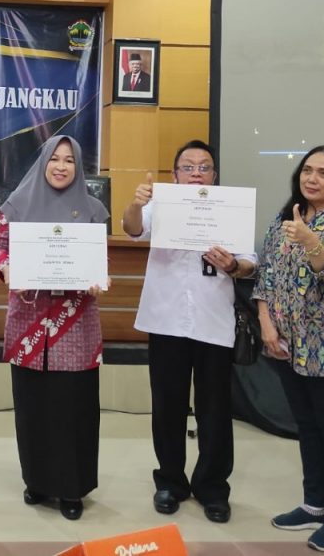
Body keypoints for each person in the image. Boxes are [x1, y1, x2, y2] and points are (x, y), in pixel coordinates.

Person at [123, 139, 256, 524]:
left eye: (204, 167)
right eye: (188, 167)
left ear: (214, 175)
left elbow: (250, 262)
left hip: (213, 321)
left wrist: (233, 265)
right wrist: (136, 203)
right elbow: (133, 228)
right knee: (167, 406)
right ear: (175, 174)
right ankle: (170, 482)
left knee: (215, 409)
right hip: (166, 320)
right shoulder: (159, 204)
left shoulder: (229, 209)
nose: (196, 173)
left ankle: (213, 488)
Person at [252, 145, 324, 552]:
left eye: (323, 173)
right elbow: (266, 276)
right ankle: (315, 504)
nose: (312, 178)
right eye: (307, 170)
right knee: (307, 425)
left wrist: (310, 240)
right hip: (286, 343)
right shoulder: (285, 218)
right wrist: (266, 324)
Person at [0, 135, 108, 520]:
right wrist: (7, 269)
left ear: (78, 168)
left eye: (69, 161)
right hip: (29, 320)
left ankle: (72, 488)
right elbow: (0, 248)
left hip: (76, 323)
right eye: (54, 159)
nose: (61, 166)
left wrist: (97, 278)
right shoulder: (16, 206)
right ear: (43, 162)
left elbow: (98, 259)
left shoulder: (93, 210)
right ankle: (38, 481)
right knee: (33, 407)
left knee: (74, 408)